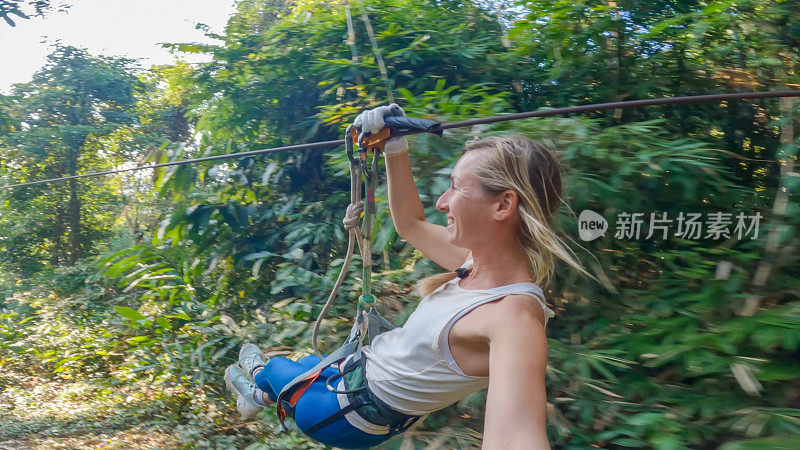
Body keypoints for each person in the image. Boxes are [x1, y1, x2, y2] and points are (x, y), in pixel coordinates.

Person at [224, 104, 587, 449]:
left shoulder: (513, 317)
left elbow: (516, 437)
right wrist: (394, 145)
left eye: (457, 187)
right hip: (353, 373)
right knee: (304, 365)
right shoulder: (474, 261)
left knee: (275, 367)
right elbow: (411, 224)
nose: (442, 202)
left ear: (503, 205)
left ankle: (255, 388)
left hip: (344, 415)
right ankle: (263, 389)